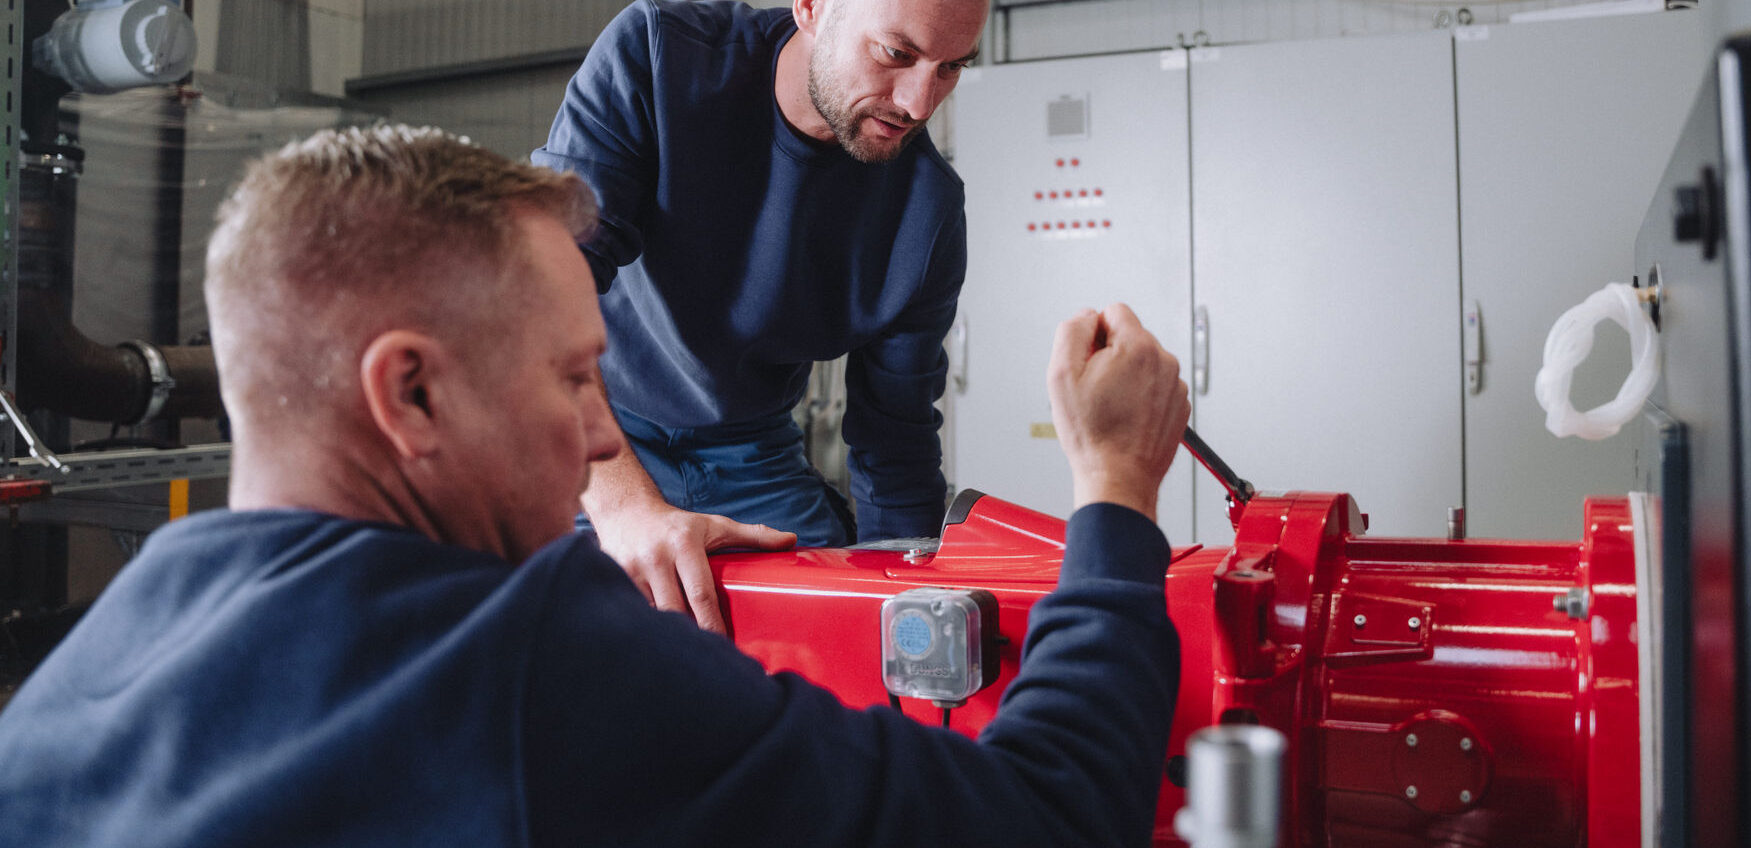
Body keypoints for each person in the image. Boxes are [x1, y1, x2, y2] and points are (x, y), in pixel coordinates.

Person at [0, 127, 1191, 848]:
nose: (594, 444)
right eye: (574, 378)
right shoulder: (521, 662)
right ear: (409, 394)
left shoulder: (70, 693)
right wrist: (1116, 486)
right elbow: (1047, 815)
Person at [532, 0, 992, 630]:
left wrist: (909, 618)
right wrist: (626, 511)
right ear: (812, 4)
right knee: (562, 639)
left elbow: (897, 438)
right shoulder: (656, 58)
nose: (918, 101)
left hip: (751, 454)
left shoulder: (926, 212)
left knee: (830, 636)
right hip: (591, 424)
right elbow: (535, 302)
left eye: (950, 67)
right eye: (896, 53)